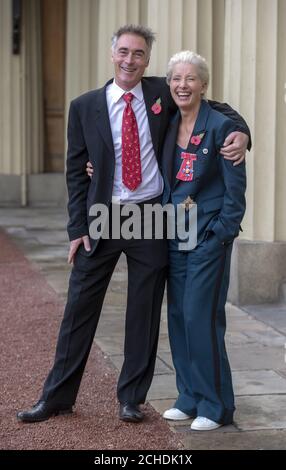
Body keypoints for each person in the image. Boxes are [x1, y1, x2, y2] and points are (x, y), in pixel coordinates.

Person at [17, 25, 250, 425]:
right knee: (79, 308)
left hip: (150, 215)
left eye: (138, 54)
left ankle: (131, 398)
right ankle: (56, 396)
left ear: (146, 60)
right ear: (113, 54)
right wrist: (77, 228)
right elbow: (76, 172)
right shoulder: (84, 105)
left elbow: (216, 108)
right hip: (105, 215)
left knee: (143, 312)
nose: (130, 60)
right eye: (124, 52)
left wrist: (244, 134)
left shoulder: (163, 92)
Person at [160, 51, 246, 430]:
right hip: (172, 235)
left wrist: (221, 235)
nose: (183, 84)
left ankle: (216, 405)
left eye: (190, 78)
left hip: (208, 238)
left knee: (201, 318)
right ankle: (189, 397)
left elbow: (235, 191)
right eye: (176, 78)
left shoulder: (223, 127)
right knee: (178, 317)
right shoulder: (166, 123)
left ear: (203, 85)